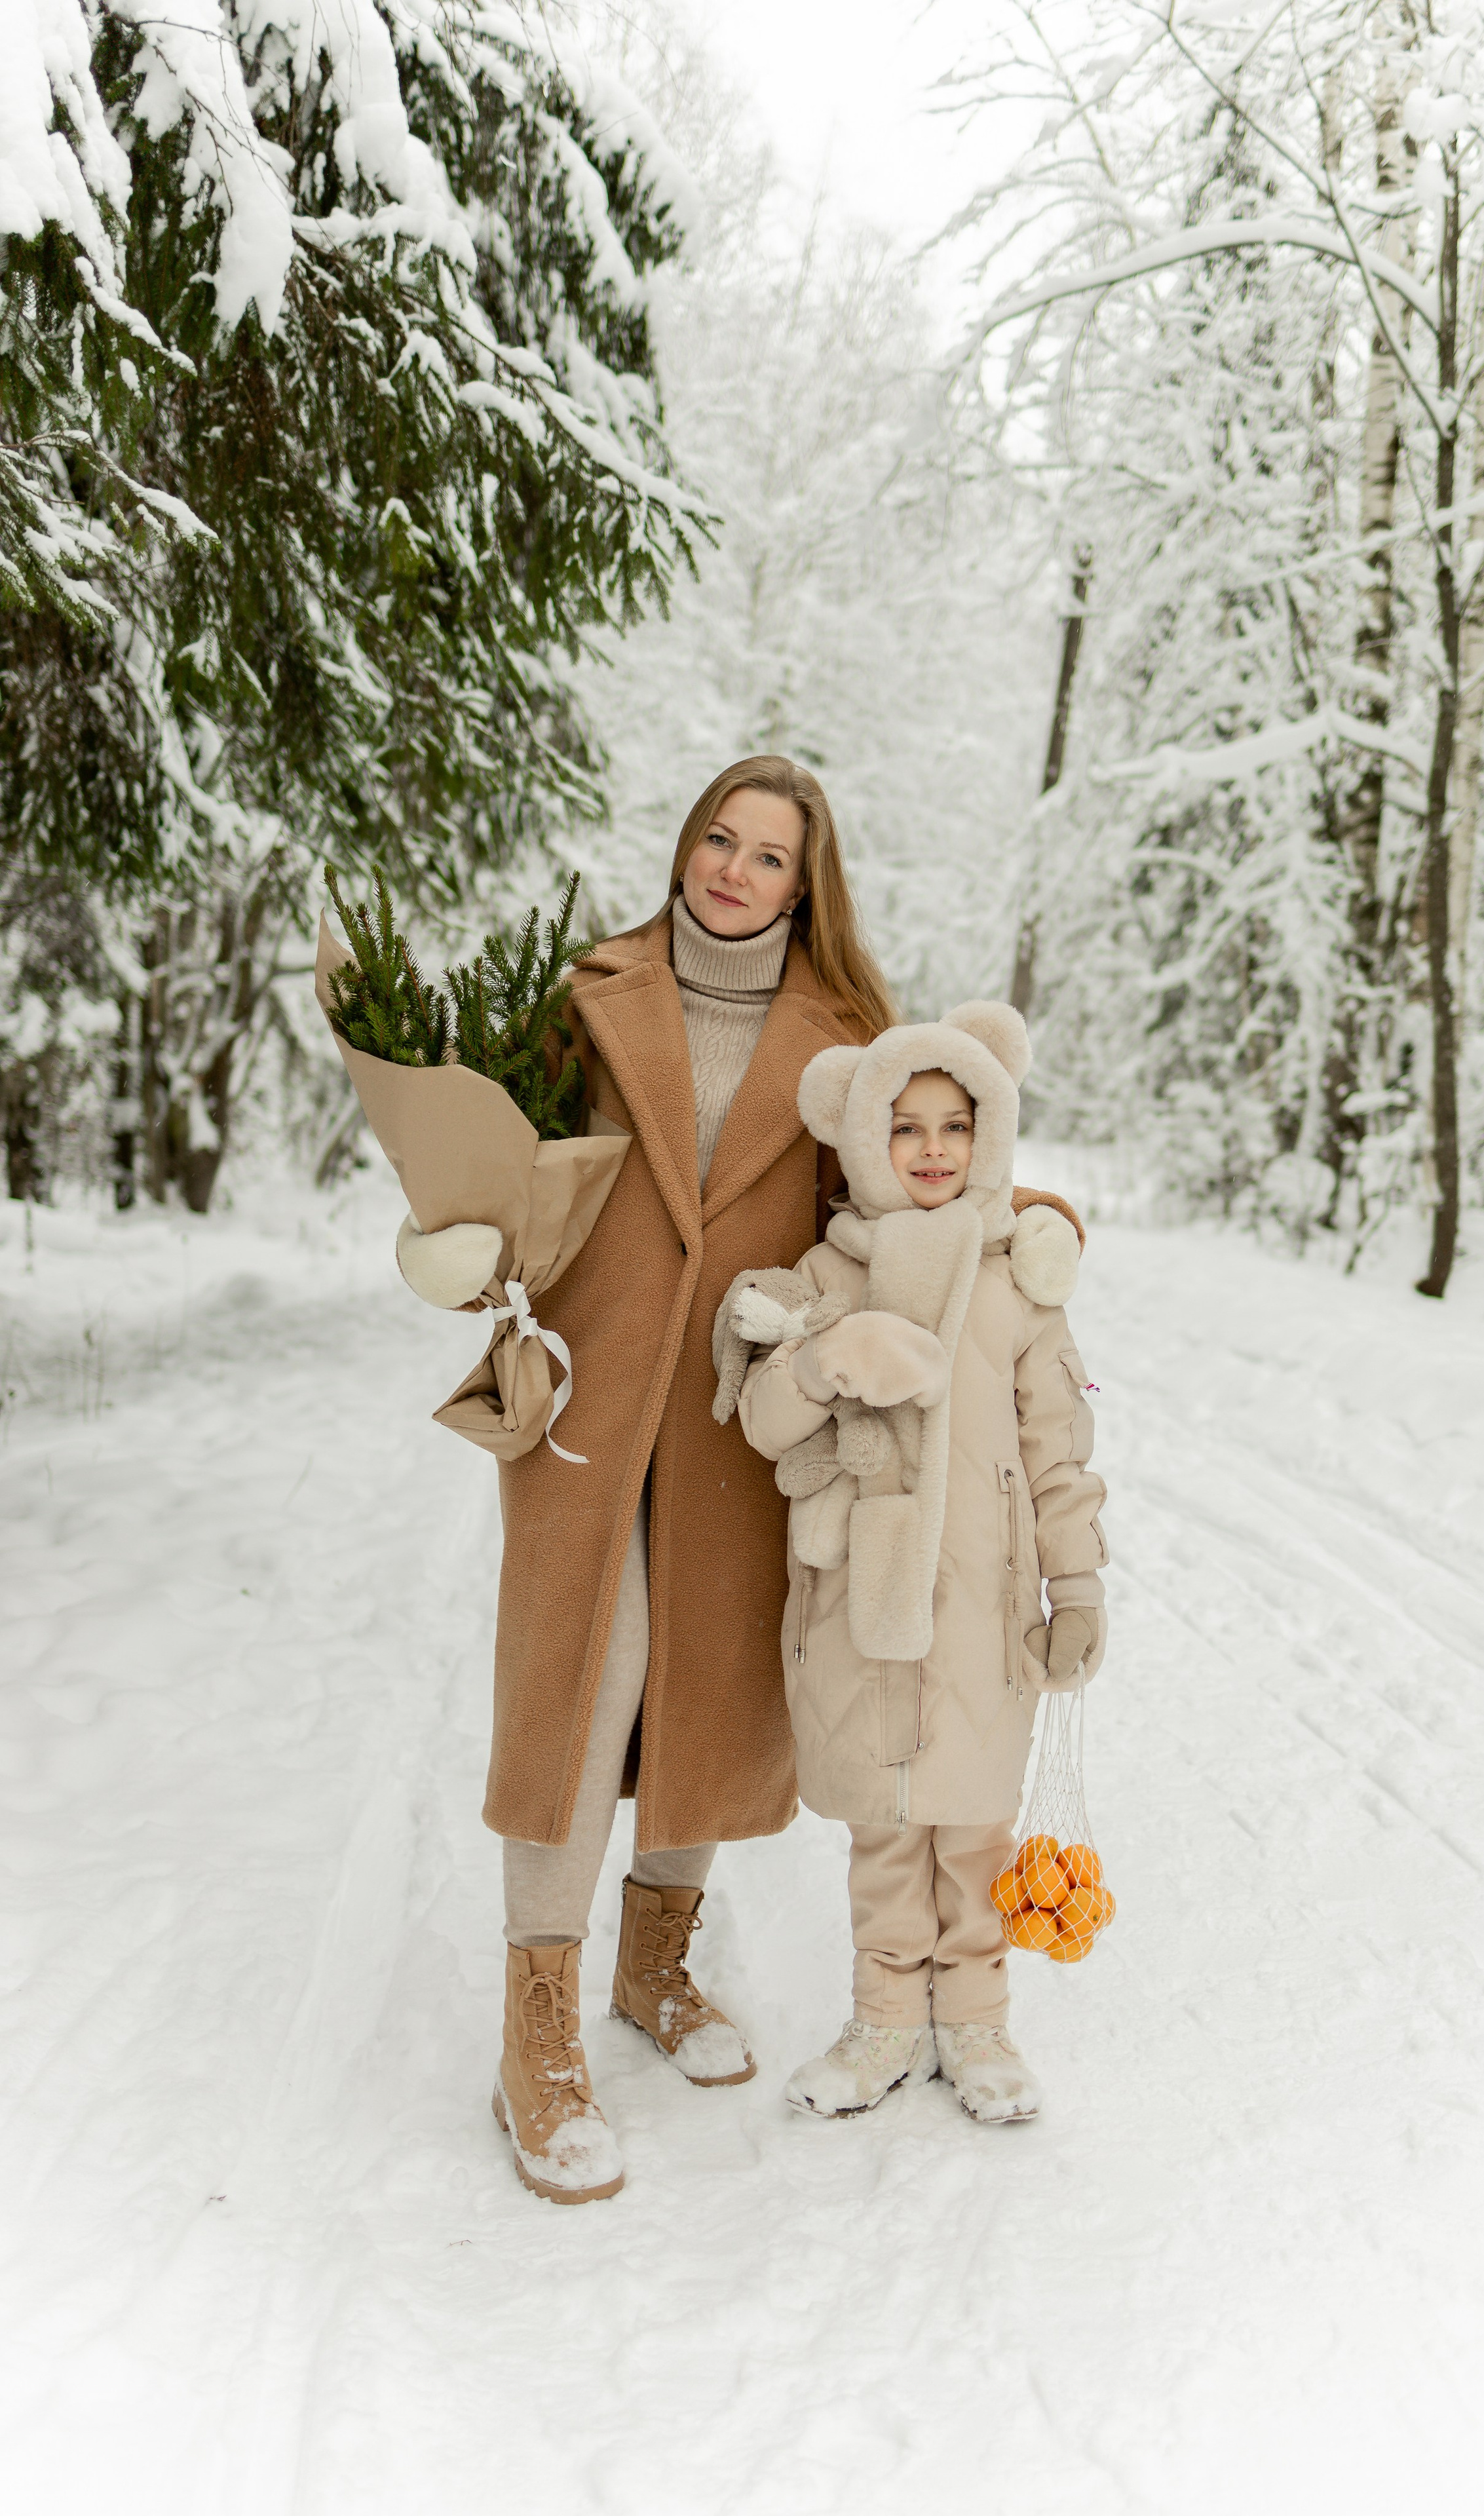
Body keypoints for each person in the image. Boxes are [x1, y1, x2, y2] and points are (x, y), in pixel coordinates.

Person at [394, 757, 894, 2202]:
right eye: (717, 841)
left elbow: (914, 1188)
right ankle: (533, 2033)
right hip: (589, 1392)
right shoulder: (587, 993)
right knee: (584, 1682)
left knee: (702, 1682)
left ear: (808, 885)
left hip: (742, 1408)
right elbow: (499, 1180)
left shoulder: (844, 1039)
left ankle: (653, 1969)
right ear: (685, 847)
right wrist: (456, 1251)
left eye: (768, 858)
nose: (732, 872)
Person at [727, 1002, 1109, 2126]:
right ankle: (886, 2021)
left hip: (984, 1609)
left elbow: (1061, 1448)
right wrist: (822, 1362)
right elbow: (761, 1419)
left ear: (990, 1136)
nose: (933, 1148)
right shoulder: (826, 1273)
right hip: (856, 1597)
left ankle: (979, 2026)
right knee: (888, 1825)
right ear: (861, 1143)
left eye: (955, 1124)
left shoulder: (1018, 1281)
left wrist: (1075, 1584)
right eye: (905, 1128)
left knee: (974, 1825)